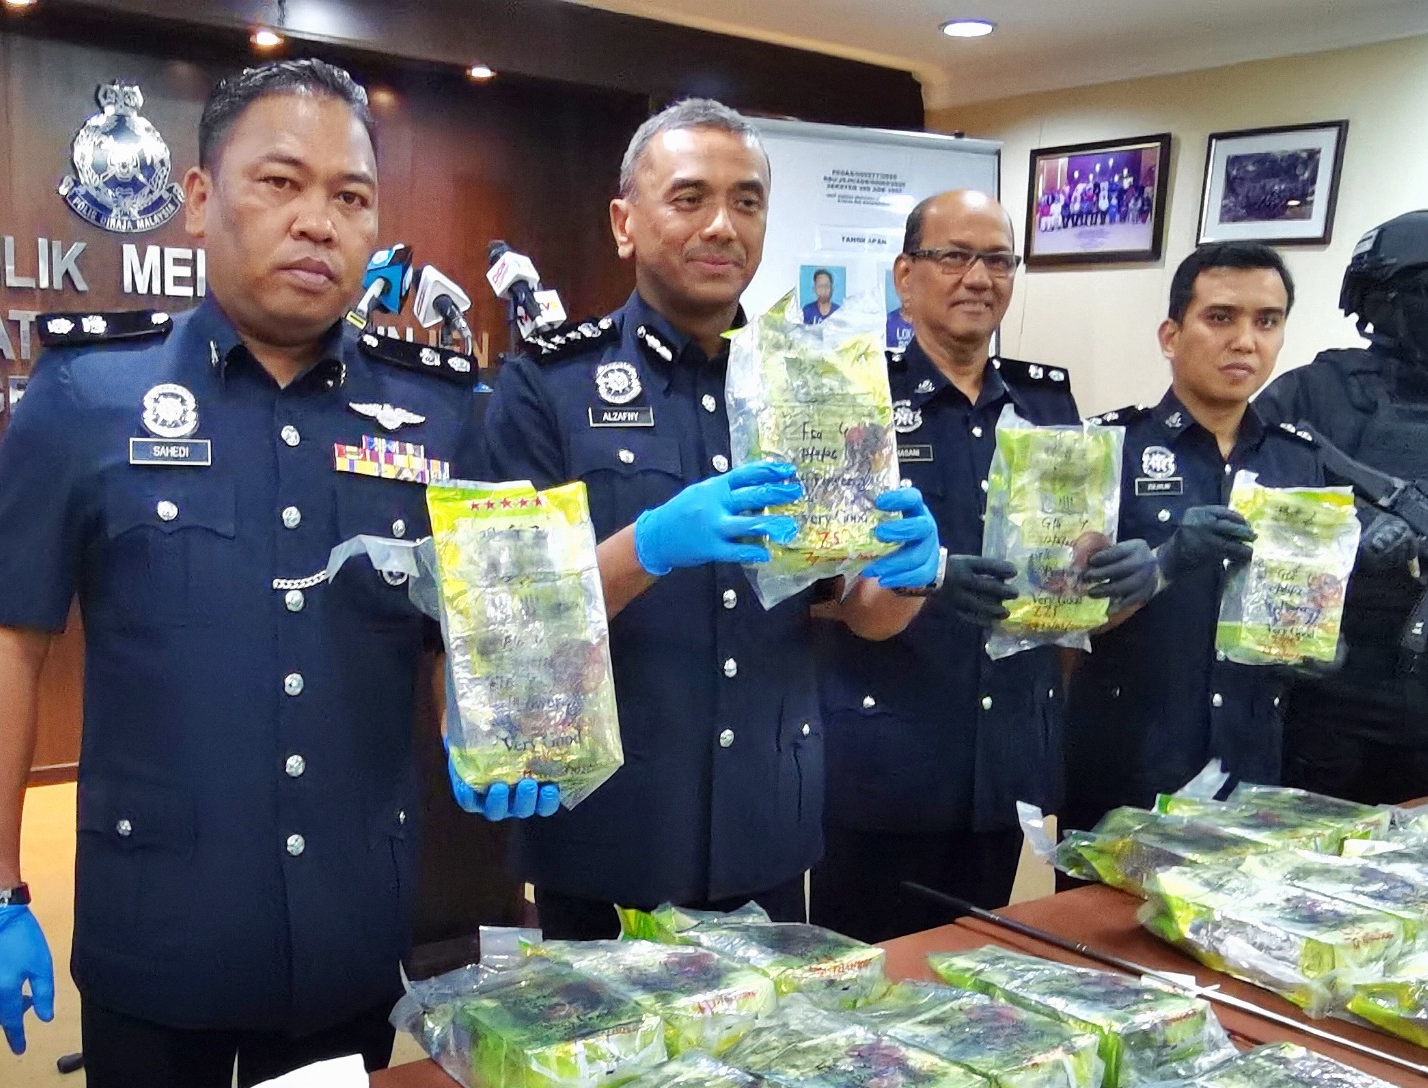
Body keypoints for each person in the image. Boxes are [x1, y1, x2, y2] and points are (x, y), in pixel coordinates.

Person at [0, 60, 523, 1088]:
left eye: (351, 196)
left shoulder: (440, 414)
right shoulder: (88, 396)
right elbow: (3, 640)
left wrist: (499, 734)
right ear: (200, 197)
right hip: (158, 921)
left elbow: (470, 629)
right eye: (281, 182)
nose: (318, 221)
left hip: (354, 922)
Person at [485, 97, 939, 939]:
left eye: (747, 201)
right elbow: (511, 623)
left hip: (768, 826)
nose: (722, 225)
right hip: (611, 833)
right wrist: (650, 544)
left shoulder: (818, 385)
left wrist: (908, 576)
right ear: (624, 222)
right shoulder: (549, 386)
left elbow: (853, 607)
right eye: (689, 198)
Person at [810, 189, 1086, 942]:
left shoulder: (1044, 404)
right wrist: (926, 578)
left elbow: (1070, 552)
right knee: (867, 977)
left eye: (998, 260)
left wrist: (1095, 566)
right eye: (954, 256)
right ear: (906, 275)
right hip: (884, 758)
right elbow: (817, 583)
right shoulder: (856, 398)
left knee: (976, 968)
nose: (978, 277)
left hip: (1003, 757)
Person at [1263, 210, 1428, 804]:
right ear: (1380, 300)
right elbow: (1250, 517)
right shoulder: (1312, 393)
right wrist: (1349, 535)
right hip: (1321, 682)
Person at [1061, 242, 1329, 831]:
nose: (1245, 341)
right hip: (1128, 767)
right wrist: (1166, 561)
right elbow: (1058, 619)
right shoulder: (1106, 448)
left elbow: (1307, 607)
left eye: (1267, 321)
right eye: (1221, 317)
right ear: (1170, 335)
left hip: (1252, 767)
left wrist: (1316, 642)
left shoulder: (1298, 461)